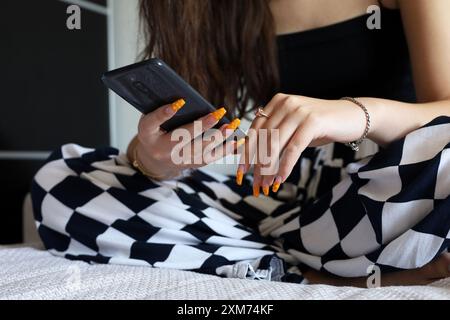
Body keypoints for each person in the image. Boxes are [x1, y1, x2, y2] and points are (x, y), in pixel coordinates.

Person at [31, 0, 450, 287]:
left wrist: (354, 114)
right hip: (288, 195)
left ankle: (269, 263)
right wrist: (154, 161)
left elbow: (445, 114)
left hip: (391, 180)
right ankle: (319, 273)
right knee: (62, 182)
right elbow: (197, 133)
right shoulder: (210, 11)